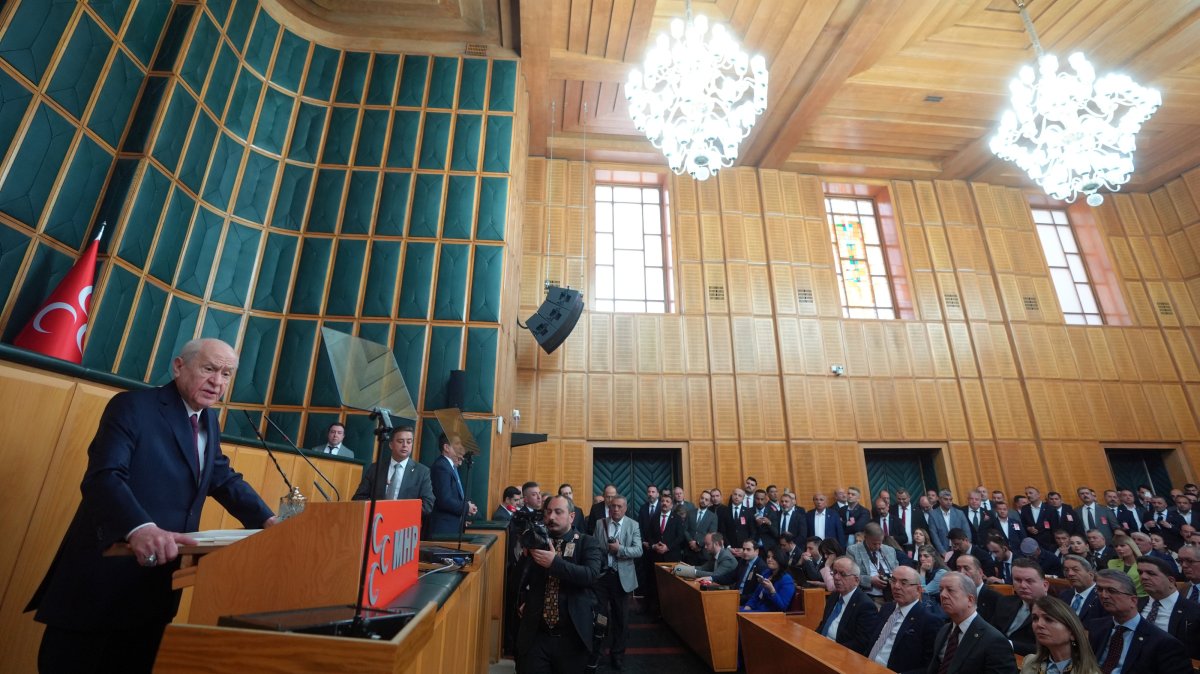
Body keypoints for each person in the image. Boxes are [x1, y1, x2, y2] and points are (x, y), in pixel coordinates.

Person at [26, 338, 280, 673]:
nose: (217, 382)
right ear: (178, 367)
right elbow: (104, 476)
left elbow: (223, 479)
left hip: (156, 588)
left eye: (226, 374)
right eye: (209, 369)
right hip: (104, 582)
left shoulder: (208, 421)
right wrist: (139, 527)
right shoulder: (132, 406)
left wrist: (269, 520)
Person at [514, 495, 602, 673]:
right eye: (547, 512)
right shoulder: (538, 542)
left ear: (571, 516)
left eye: (558, 512)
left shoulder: (587, 542)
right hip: (537, 634)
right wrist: (524, 557)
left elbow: (590, 575)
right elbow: (517, 582)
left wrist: (555, 563)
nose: (551, 517)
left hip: (572, 636)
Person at [1084, 569, 1192, 674]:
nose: (1103, 596)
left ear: (1133, 600)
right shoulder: (1097, 627)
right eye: (1100, 590)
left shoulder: (1164, 643)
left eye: (1111, 591)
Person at [928, 571, 1017, 674]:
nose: (943, 595)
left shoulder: (994, 641)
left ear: (970, 600)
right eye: (941, 590)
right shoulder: (944, 630)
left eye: (950, 590)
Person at [593, 495, 641, 670]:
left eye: (619, 506)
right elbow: (593, 548)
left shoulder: (633, 525)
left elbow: (638, 550)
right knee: (600, 617)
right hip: (602, 578)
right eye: (613, 506)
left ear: (625, 508)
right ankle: (598, 653)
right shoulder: (600, 524)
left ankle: (617, 655)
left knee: (621, 619)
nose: (616, 509)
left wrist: (619, 549)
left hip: (622, 578)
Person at [865, 564, 941, 674]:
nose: (896, 586)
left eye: (904, 583)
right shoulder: (886, 608)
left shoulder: (929, 621)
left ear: (918, 589)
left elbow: (930, 666)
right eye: (893, 580)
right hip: (865, 666)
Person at [351, 425, 436, 514]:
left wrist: (397, 511)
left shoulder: (422, 472)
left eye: (409, 442)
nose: (405, 445)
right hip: (377, 518)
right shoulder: (375, 468)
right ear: (391, 445)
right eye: (400, 441)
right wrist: (378, 507)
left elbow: (428, 504)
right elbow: (358, 498)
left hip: (405, 521)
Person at [1134, 555, 1200, 659]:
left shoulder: (1194, 611)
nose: (1143, 577)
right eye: (1140, 572)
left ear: (1171, 581)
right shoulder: (1134, 605)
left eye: (1151, 573)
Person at [1019, 595, 1102, 674]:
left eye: (1048, 619)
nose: (1039, 624)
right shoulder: (1029, 662)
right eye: (1035, 618)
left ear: (1072, 632)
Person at [816, 556, 880, 655]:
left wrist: (831, 650)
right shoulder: (834, 596)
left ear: (856, 580)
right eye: (835, 572)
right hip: (821, 646)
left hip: (841, 654)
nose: (836, 577)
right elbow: (823, 625)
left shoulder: (865, 606)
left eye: (842, 574)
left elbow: (861, 643)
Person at [991, 558, 1049, 656]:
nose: (1023, 586)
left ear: (1045, 585)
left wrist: (1009, 645)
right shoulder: (1005, 601)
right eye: (1018, 580)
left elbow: (1047, 648)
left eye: (1029, 581)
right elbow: (992, 630)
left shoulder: (1053, 611)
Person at [427, 432, 477, 535]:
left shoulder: (450, 467)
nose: (461, 447)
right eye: (457, 443)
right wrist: (466, 507)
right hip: (443, 529)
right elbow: (445, 500)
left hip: (452, 527)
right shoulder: (441, 467)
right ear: (446, 447)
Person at [849, 522, 899, 606]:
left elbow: (897, 572)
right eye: (874, 543)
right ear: (865, 538)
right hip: (869, 597)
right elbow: (850, 577)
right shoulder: (853, 550)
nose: (878, 546)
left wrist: (892, 579)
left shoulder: (890, 550)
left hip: (892, 597)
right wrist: (870, 580)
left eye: (880, 543)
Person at [741, 547, 795, 612]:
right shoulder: (766, 573)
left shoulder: (787, 580)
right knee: (733, 610)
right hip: (756, 609)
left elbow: (782, 607)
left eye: (773, 558)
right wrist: (747, 607)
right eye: (768, 557)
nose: (769, 559)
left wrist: (772, 591)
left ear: (780, 560)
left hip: (769, 613)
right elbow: (756, 595)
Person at [1059, 554, 1105, 623]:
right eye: (1066, 570)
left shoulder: (1102, 596)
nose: (1070, 574)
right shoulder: (1064, 595)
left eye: (1075, 570)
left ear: (1091, 575)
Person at [928, 489, 970, 554]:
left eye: (950, 500)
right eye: (946, 499)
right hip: (943, 549)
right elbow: (934, 535)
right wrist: (942, 552)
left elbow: (967, 532)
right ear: (939, 500)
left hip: (961, 549)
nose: (949, 502)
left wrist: (965, 547)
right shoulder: (933, 514)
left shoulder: (959, 513)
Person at [1107, 532, 1146, 597]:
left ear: (1132, 546)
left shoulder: (1145, 563)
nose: (1118, 548)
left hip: (1141, 597)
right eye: (1116, 546)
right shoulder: (1111, 563)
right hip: (1118, 597)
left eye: (1122, 545)